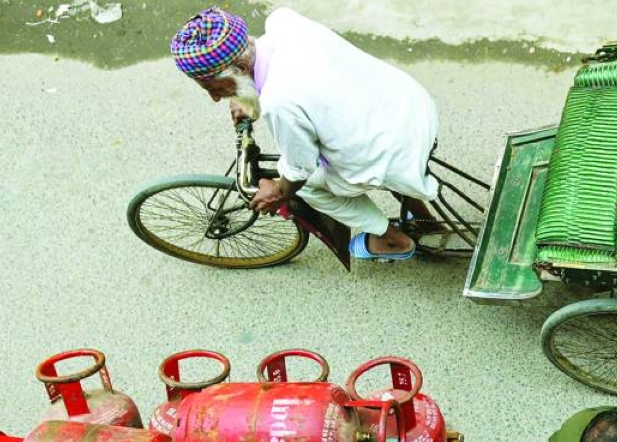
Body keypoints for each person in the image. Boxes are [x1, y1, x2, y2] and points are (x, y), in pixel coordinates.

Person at [170, 7, 439, 261]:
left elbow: (300, 169)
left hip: (393, 152)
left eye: (216, 88)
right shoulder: (284, 23)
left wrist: (278, 192)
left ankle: (393, 240)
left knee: (308, 186)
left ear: (240, 69)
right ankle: (426, 221)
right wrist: (243, 93)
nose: (216, 98)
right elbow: (298, 84)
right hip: (410, 107)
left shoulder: (278, 103)